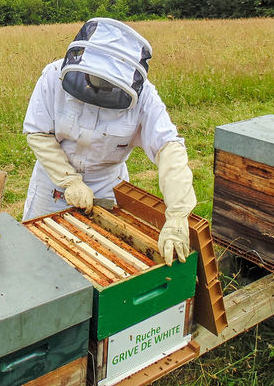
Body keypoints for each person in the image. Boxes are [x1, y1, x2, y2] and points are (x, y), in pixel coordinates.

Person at [21, 17, 197, 265]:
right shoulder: (54, 76)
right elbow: (38, 132)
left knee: (103, 260)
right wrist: (69, 180)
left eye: (109, 86)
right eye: (96, 81)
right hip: (53, 183)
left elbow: (169, 148)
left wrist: (177, 214)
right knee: (37, 256)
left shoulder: (145, 97)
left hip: (106, 185)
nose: (101, 91)